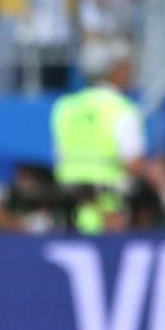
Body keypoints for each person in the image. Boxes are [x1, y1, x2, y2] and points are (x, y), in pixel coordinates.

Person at [51, 39, 144, 233]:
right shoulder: (122, 109)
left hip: (68, 207)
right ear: (115, 71)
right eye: (126, 67)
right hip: (109, 210)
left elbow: (58, 156)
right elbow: (133, 163)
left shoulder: (64, 107)